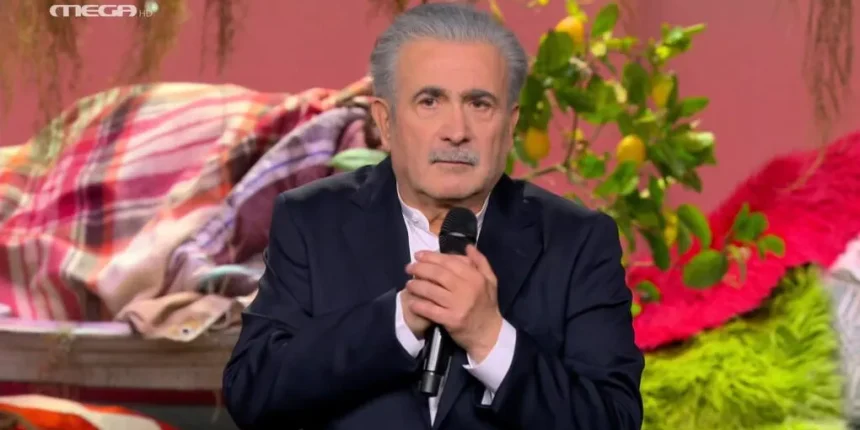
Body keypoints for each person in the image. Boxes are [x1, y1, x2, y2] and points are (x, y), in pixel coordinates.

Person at [222, 3, 644, 429]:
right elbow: (253, 393)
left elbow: (614, 419)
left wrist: (490, 339)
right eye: (430, 101)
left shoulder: (578, 241)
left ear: (510, 125)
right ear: (385, 122)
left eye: (479, 104)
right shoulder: (311, 221)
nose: (456, 131)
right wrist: (400, 320)